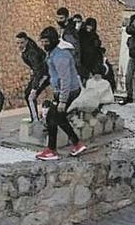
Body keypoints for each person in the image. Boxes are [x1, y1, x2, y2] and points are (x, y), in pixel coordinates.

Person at [35, 27, 87, 161]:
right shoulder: (53, 54)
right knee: (59, 118)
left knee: (52, 118)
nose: (44, 45)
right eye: (43, 42)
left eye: (46, 42)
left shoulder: (60, 56)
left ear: (53, 41)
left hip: (69, 91)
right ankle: (77, 144)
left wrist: (63, 101)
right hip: (63, 91)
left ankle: (52, 150)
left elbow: (65, 79)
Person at [16, 32, 49, 122]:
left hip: (44, 74)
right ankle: (34, 118)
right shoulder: (27, 49)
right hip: (39, 73)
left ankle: (35, 120)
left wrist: (34, 87)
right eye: (18, 43)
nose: (19, 45)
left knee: (31, 96)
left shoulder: (31, 53)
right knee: (27, 94)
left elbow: (39, 70)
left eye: (21, 43)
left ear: (26, 41)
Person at [78, 17, 104, 83]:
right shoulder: (81, 34)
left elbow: (96, 50)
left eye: (91, 26)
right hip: (82, 60)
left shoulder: (95, 36)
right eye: (88, 25)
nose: (89, 27)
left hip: (91, 62)